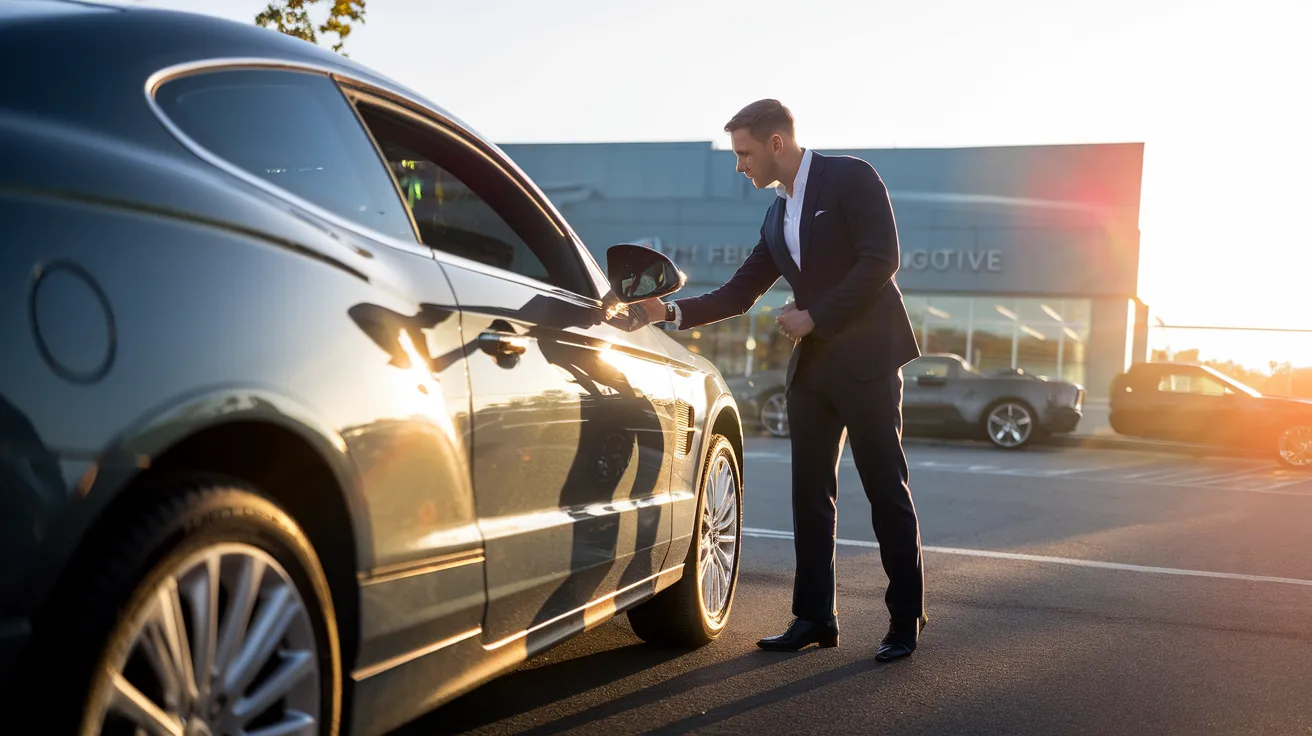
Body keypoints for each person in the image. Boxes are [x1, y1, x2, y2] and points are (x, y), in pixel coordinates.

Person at [636, 99, 927, 661]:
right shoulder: (776, 215)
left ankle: (904, 618)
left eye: (744, 153)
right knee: (810, 496)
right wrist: (665, 313)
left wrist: (815, 315)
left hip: (867, 361)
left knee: (885, 490)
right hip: (814, 370)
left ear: (776, 143)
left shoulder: (851, 177)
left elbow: (881, 259)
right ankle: (816, 617)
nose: (739, 165)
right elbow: (738, 293)